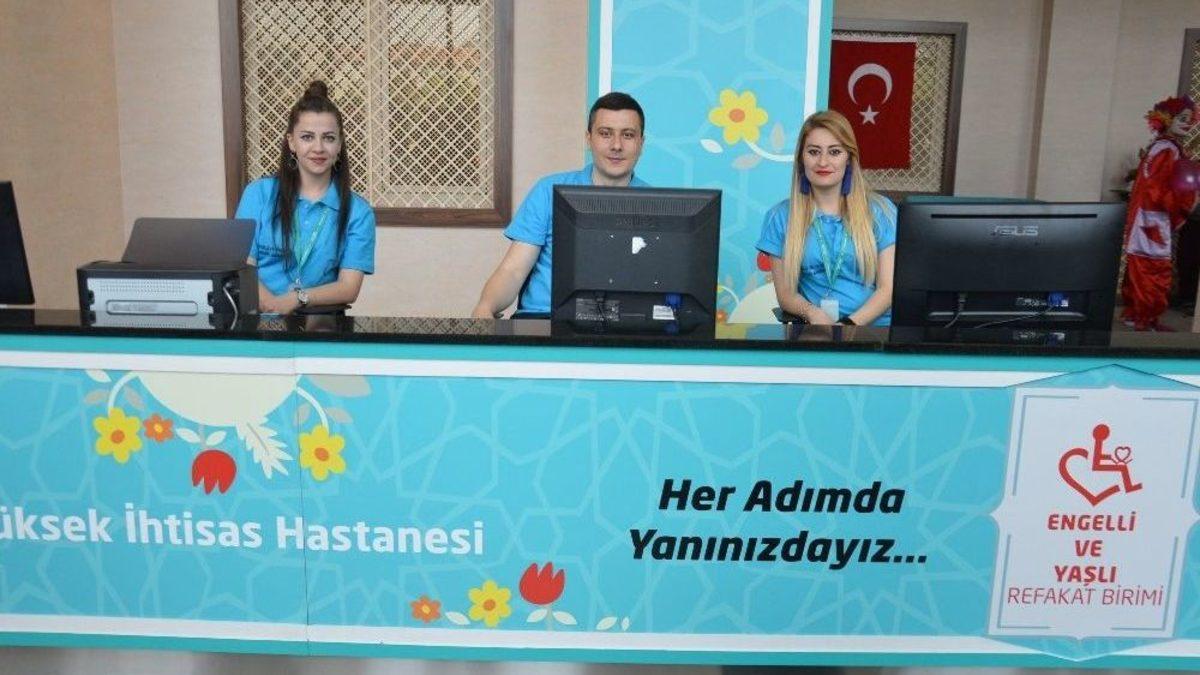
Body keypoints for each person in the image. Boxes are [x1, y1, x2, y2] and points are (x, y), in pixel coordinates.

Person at [472, 92, 649, 318]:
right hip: (544, 321)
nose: (616, 145)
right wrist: (485, 306)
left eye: (628, 135)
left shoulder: (659, 205)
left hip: (626, 325)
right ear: (589, 139)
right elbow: (513, 270)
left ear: (641, 143)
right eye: (605, 133)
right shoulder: (548, 190)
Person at [237, 80, 376, 315]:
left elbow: (348, 288)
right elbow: (243, 267)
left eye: (328, 138)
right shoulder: (258, 194)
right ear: (292, 142)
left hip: (322, 325)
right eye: (307, 137)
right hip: (257, 321)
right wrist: (272, 308)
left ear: (340, 144)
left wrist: (296, 299)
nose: (318, 148)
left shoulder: (359, 212)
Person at [756, 110, 897, 326]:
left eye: (834, 152)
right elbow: (786, 295)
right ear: (801, 158)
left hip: (872, 331)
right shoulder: (780, 216)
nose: (823, 162)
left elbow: (887, 289)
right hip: (817, 331)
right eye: (814, 152)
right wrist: (812, 313)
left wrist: (847, 327)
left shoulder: (880, 211)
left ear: (849, 158)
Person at [1120, 95, 1199, 331]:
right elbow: (1158, 189)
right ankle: (1145, 317)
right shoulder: (1167, 150)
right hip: (1153, 219)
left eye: (1189, 119)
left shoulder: (1161, 146)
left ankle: (1136, 313)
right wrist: (1185, 205)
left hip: (1147, 217)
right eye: (1181, 118)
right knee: (1153, 268)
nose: (1187, 124)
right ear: (1166, 119)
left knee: (1141, 265)